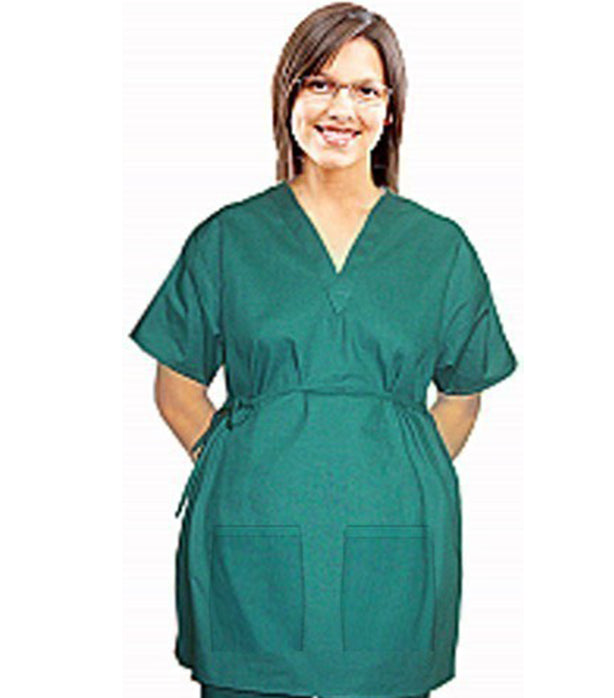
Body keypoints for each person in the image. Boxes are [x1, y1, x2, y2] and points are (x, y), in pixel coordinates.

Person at [128, 3, 518, 698]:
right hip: (249, 541)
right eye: (319, 84)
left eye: (365, 89)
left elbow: (463, 394)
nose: (341, 109)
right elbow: (176, 384)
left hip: (397, 550)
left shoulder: (440, 249)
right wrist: (242, 465)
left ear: (391, 110)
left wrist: (397, 471)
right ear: (288, 98)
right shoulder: (228, 239)